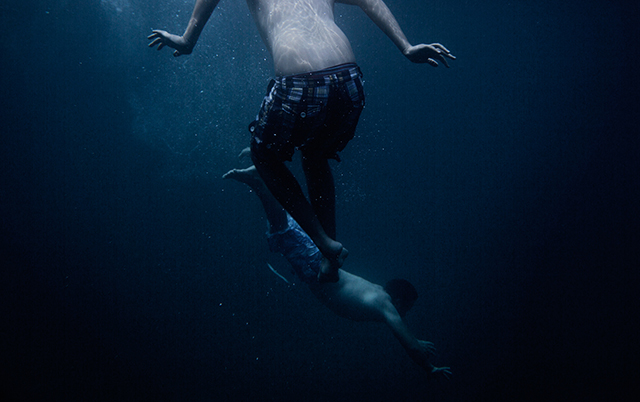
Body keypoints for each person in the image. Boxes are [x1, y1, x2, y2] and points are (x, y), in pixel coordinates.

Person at [148, 0, 455, 282]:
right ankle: (329, 259)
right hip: (350, 79)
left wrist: (188, 39)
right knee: (315, 156)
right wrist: (406, 46)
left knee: (263, 155)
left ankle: (323, 242)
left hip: (300, 81)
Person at [222, 149, 451, 378]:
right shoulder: (385, 304)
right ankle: (260, 172)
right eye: (407, 308)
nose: (404, 314)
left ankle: (260, 171)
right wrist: (429, 367)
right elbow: (408, 344)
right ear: (400, 300)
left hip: (318, 269)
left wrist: (415, 340)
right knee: (281, 231)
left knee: (283, 228)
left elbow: (409, 338)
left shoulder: (377, 293)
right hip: (317, 270)